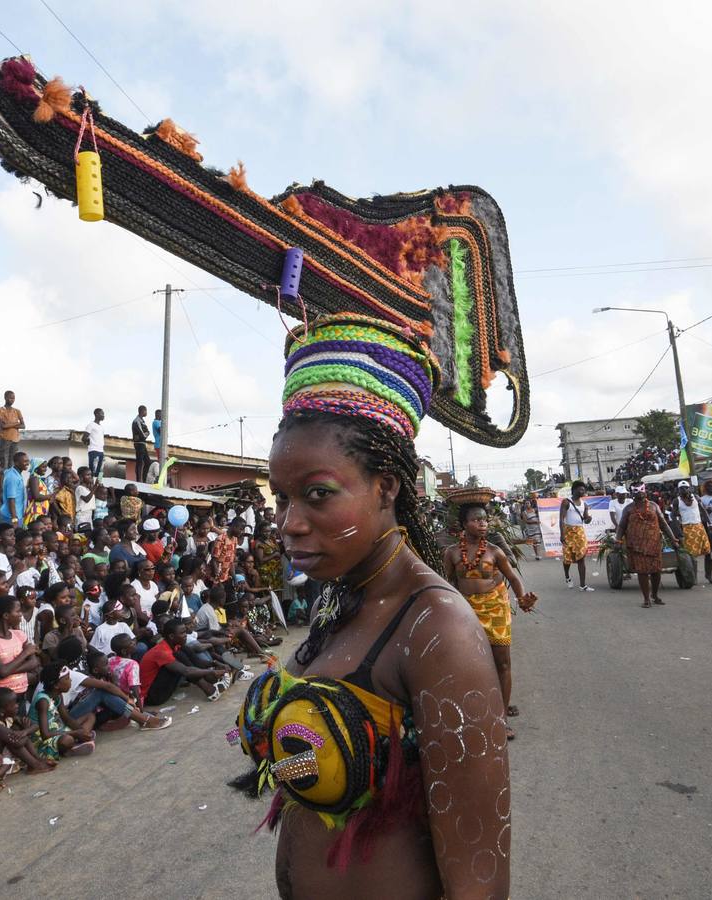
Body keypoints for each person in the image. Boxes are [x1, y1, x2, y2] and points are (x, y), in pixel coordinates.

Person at [232, 313, 508, 898]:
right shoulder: (339, 600)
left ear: (387, 487)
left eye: (318, 494)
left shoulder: (438, 630)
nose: (290, 524)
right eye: (281, 498)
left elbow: (479, 878)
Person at [442, 495, 537, 738]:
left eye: (484, 520)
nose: (482, 524)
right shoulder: (452, 553)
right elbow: (445, 583)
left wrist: (522, 598)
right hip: (466, 611)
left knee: (502, 663)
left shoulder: (495, 552)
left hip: (495, 609)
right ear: (464, 524)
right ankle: (469, 712)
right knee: (467, 665)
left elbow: (514, 579)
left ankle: (501, 719)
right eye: (476, 520)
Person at [618, 485, 670, 608]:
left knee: (656, 571)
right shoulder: (628, 509)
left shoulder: (654, 506)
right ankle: (646, 599)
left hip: (654, 544)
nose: (640, 493)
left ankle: (655, 595)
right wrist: (618, 540)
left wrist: (673, 539)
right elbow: (621, 526)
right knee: (642, 572)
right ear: (632, 493)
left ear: (645, 492)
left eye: (642, 491)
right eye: (636, 491)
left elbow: (664, 524)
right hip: (637, 546)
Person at [674, 481, 712, 584]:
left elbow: (703, 511)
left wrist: (710, 524)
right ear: (678, 490)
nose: (684, 490)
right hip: (687, 529)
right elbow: (673, 516)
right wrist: (677, 529)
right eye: (682, 488)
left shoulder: (696, 497)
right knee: (691, 555)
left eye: (686, 488)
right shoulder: (677, 501)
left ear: (689, 488)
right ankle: (693, 578)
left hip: (699, 527)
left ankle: (709, 576)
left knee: (708, 553)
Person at [559, 480, 593, 591]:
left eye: (584, 489)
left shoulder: (585, 504)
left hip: (580, 532)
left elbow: (585, 520)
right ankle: (567, 577)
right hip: (568, 531)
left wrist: (589, 519)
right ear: (574, 490)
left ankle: (583, 585)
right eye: (581, 489)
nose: (583, 491)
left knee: (581, 557)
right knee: (567, 558)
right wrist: (562, 534)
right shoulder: (566, 502)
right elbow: (561, 519)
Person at [0, 390, 24, 476]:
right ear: (5, 398)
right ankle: (2, 487)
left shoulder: (17, 411)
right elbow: (3, 426)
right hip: (5, 439)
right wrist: (16, 423)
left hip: (15, 440)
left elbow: (23, 425)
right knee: (4, 464)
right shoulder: (0, 410)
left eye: (13, 398)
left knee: (13, 464)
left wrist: (9, 424)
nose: (12, 400)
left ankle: (11, 481)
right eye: (10, 398)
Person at [0, 452, 30, 527]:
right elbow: (11, 499)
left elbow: (4, 471)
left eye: (28, 461)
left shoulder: (13, 472)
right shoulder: (13, 477)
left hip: (18, 514)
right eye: (25, 461)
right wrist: (14, 519)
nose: (27, 463)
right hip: (12, 516)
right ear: (16, 463)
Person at [85, 408, 107, 477]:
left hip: (101, 451)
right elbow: (84, 437)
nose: (103, 415)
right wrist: (88, 442)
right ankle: (91, 485)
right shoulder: (91, 425)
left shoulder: (101, 427)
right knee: (93, 471)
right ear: (96, 414)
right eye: (102, 414)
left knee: (100, 471)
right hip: (93, 450)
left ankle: (99, 484)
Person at [131, 405, 150, 482]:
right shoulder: (136, 421)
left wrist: (145, 434)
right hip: (139, 443)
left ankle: (144, 479)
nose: (146, 413)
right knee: (140, 462)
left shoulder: (142, 421)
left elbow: (148, 432)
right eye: (146, 411)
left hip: (142, 443)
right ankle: (138, 480)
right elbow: (143, 434)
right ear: (142, 411)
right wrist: (145, 434)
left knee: (148, 462)